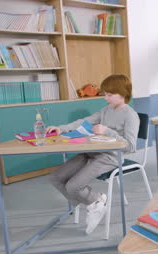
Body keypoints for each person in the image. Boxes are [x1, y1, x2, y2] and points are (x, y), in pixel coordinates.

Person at [46, 74, 139, 235]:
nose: (106, 98)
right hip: (91, 152)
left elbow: (130, 146)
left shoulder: (131, 115)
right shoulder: (106, 110)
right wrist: (62, 128)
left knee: (73, 186)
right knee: (55, 178)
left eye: (110, 95)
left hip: (110, 157)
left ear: (123, 93)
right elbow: (85, 121)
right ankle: (93, 204)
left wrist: (107, 131)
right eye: (105, 94)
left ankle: (96, 199)